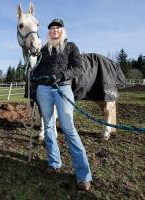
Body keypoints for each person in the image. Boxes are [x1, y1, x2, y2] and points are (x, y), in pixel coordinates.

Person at [31, 19, 92, 191]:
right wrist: (32, 66)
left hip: (63, 89)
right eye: (51, 29)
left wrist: (61, 75)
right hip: (44, 90)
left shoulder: (71, 46)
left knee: (68, 128)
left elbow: (79, 68)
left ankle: (83, 175)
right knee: (48, 126)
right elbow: (37, 69)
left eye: (57, 28)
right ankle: (54, 162)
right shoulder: (44, 49)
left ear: (62, 31)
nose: (54, 31)